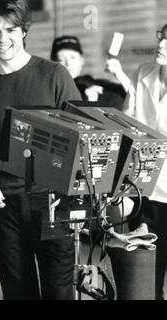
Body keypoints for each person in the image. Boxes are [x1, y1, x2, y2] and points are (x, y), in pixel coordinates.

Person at [0, 0, 81, 300]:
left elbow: (83, 139)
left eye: (10, 29)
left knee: (59, 291)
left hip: (53, 203)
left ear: (24, 30)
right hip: (4, 205)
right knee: (17, 291)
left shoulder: (54, 76)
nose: (2, 38)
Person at [123, 24, 167, 300]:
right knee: (146, 274)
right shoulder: (143, 73)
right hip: (145, 189)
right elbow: (129, 124)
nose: (162, 44)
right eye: (162, 37)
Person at [50, 35, 129, 110]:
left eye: (73, 57)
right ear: (53, 63)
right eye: (61, 59)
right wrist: (86, 101)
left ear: (81, 60)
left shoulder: (100, 84)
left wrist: (119, 74)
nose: (68, 63)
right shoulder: (51, 91)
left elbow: (135, 97)